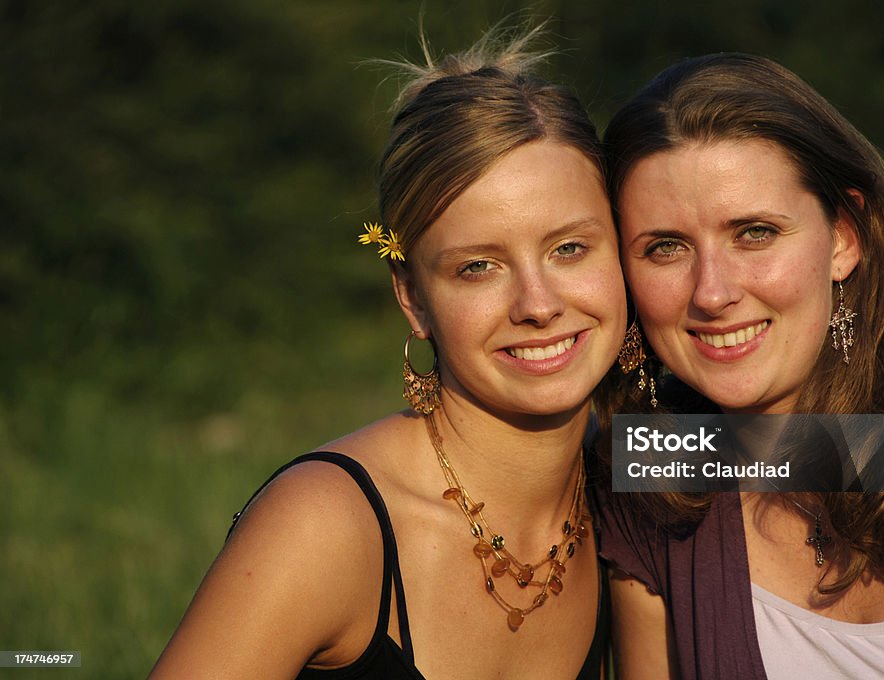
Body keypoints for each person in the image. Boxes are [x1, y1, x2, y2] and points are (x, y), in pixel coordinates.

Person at [150, 25, 627, 679]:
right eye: (478, 267)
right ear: (413, 298)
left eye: (569, 248)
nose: (538, 304)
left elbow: (807, 455)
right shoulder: (323, 523)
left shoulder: (635, 468)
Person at [595, 53, 884, 679]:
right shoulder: (653, 470)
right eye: (666, 247)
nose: (712, 293)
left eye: (755, 233)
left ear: (844, 237)